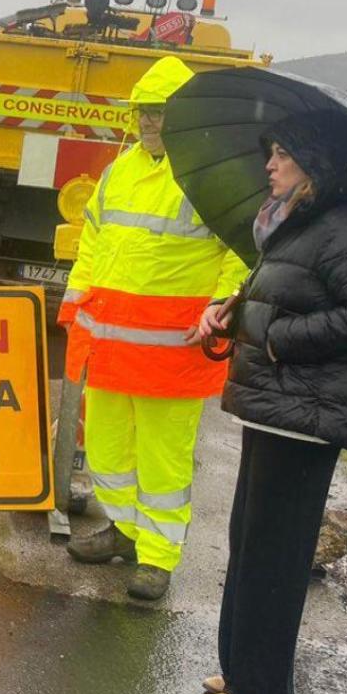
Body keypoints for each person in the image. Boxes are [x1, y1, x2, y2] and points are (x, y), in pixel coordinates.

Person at [194, 108, 347, 694]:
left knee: (277, 554)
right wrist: (231, 308)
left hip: (308, 415)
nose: (270, 164)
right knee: (249, 541)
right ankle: (239, 665)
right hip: (279, 408)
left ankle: (261, 693)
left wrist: (280, 337)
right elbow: (288, 289)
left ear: (318, 164)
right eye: (272, 152)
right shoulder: (297, 225)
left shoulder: (345, 228)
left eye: (283, 153)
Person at [58, 57, 250, 601]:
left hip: (174, 350)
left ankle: (158, 557)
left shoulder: (210, 176)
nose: (148, 122)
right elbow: (92, 240)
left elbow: (240, 253)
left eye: (161, 112)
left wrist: (221, 307)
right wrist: (78, 305)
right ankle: (123, 530)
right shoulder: (121, 170)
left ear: (183, 117)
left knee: (163, 459)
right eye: (143, 111)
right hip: (113, 346)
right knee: (108, 448)